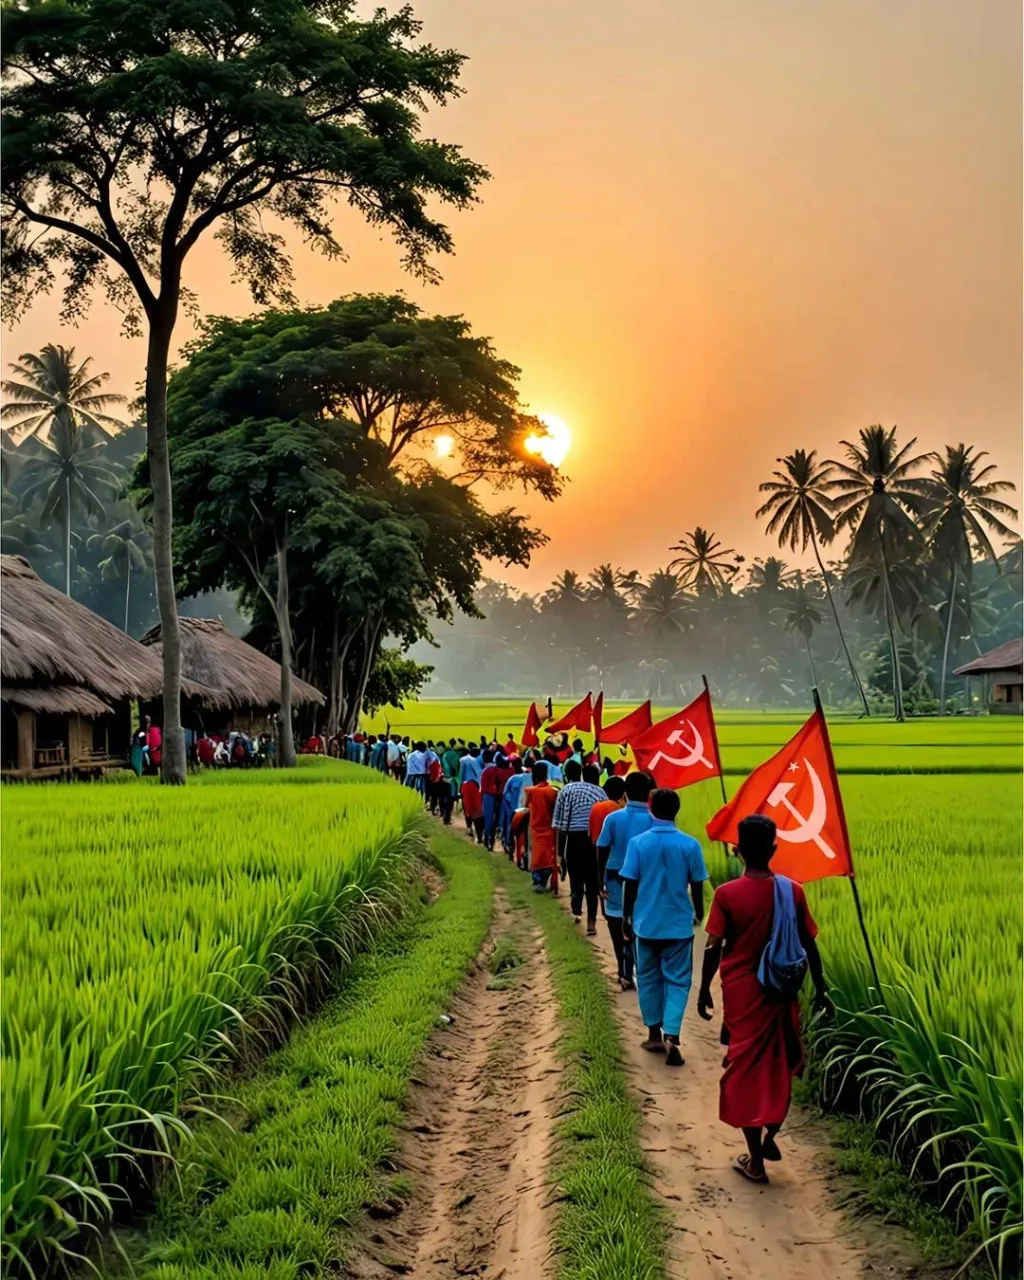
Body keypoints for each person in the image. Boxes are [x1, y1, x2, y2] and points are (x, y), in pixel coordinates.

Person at [697, 814, 830, 1184]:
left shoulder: (726, 895)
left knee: (744, 1068)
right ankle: (770, 1133)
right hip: (781, 989)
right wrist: (821, 989)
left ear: (737, 850)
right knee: (778, 1063)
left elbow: (713, 947)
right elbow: (809, 945)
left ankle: (755, 1159)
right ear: (774, 849)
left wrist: (704, 989)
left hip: (742, 990)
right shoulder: (793, 891)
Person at [621, 788, 708, 1067]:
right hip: (679, 925)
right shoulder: (690, 844)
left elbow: (630, 883)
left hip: (646, 924)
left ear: (650, 807)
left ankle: (653, 1033)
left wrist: (626, 916)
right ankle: (673, 1034)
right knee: (678, 981)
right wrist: (699, 913)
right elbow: (697, 883)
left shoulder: (638, 843)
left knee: (647, 977)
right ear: (676, 811)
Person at [594, 773, 648, 991]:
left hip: (616, 878)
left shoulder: (613, 818)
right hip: (644, 881)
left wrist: (599, 882)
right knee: (640, 925)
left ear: (626, 792)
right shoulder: (654, 820)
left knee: (617, 924)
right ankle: (642, 970)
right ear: (648, 794)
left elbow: (602, 849)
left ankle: (624, 971)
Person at [552, 761, 607, 934]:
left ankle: (576, 911)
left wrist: (560, 854)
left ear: (566, 775)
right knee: (592, 882)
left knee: (576, 879)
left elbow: (559, 825)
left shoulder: (565, 791)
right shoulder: (600, 792)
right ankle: (591, 922)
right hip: (593, 840)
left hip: (573, 839)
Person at [523, 760, 559, 892]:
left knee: (536, 854)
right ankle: (544, 879)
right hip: (549, 827)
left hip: (534, 827)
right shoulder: (553, 791)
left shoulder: (530, 791)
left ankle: (538, 880)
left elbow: (525, 807)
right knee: (548, 854)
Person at [480, 752, 513, 850]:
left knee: (489, 818)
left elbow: (483, 786)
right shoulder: (509, 772)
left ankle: (488, 839)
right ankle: (502, 840)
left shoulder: (488, 771)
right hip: (501, 797)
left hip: (488, 795)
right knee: (501, 820)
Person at [499, 757, 527, 857]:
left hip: (516, 809)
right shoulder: (517, 778)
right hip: (518, 809)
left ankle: (511, 846)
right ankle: (511, 847)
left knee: (511, 828)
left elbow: (505, 793)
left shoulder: (514, 778)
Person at [459, 744, 485, 842]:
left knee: (467, 807)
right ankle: (478, 834)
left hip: (465, 786)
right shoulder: (474, 761)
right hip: (474, 786)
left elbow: (461, 773)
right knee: (477, 809)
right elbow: (479, 774)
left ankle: (469, 827)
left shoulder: (462, 760)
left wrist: (460, 786)